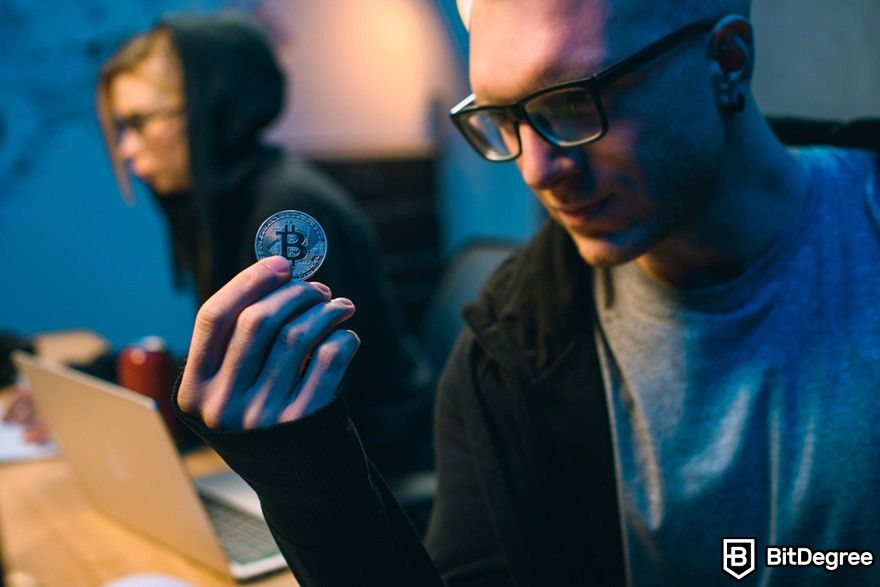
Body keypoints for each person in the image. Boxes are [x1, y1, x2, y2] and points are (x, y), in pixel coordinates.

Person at [171, 0, 879, 585]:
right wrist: (308, 477)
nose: (539, 168)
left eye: (573, 102)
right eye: (503, 119)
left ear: (726, 61)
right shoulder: (505, 361)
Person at [9, 14, 435, 482]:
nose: (128, 149)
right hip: (315, 466)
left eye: (138, 122)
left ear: (211, 106)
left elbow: (274, 390)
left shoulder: (285, 215)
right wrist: (88, 384)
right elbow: (231, 362)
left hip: (373, 478)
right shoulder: (231, 204)